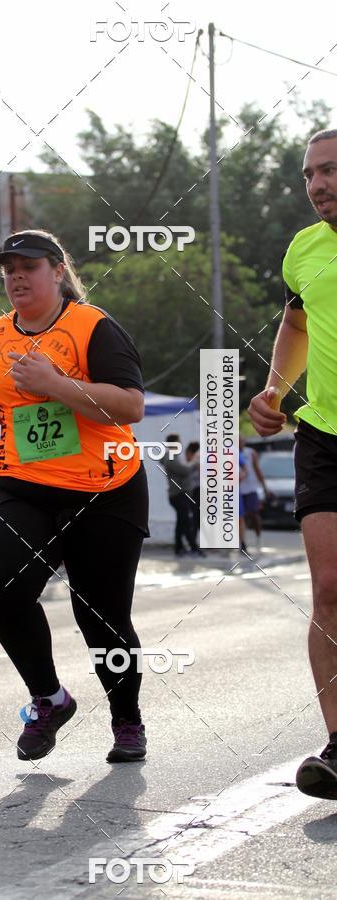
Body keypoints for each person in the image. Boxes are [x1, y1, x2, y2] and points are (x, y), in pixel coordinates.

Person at [0, 229, 150, 763]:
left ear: (57, 270)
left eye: (28, 267)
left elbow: (130, 407)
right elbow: (0, 401)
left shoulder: (92, 326)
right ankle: (49, 698)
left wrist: (57, 385)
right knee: (4, 591)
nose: (16, 278)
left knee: (100, 614)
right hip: (25, 485)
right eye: (8, 270)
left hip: (105, 487)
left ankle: (126, 720)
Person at [248, 128, 337, 800]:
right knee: (330, 591)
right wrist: (276, 388)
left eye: (331, 171)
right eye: (310, 175)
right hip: (325, 436)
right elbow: (298, 324)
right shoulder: (304, 249)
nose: (318, 186)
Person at [162, 434, 201, 557]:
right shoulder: (171, 457)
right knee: (186, 520)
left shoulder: (174, 456)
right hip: (178, 494)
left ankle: (180, 547)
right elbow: (184, 470)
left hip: (180, 493)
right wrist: (194, 461)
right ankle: (192, 547)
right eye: (179, 441)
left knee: (182, 521)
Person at [238, 436, 271, 550]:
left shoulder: (250, 453)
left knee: (254, 513)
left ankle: (258, 536)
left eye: (241, 440)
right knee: (240, 517)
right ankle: (242, 542)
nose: (240, 443)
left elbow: (257, 469)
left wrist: (264, 487)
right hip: (237, 489)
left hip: (250, 487)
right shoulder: (229, 453)